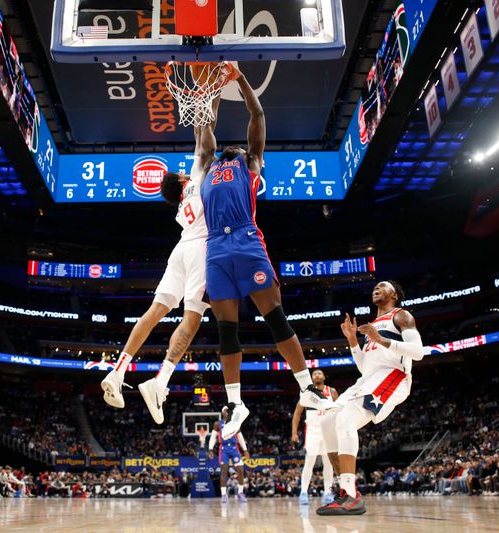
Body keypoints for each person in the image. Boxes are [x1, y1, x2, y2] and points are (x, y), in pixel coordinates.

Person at [197, 64, 335, 440]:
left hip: (245, 240)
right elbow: (204, 126)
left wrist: (238, 79)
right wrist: (206, 90)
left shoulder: (250, 161)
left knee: (274, 316)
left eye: (239, 144)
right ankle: (235, 403)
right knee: (226, 328)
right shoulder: (208, 165)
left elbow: (256, 114)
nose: (233, 145)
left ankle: (307, 385)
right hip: (215, 248)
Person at [101, 95, 222, 423]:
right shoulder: (196, 177)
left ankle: (118, 369)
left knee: (156, 310)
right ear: (183, 180)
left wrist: (204, 103)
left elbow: (202, 137)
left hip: (181, 248)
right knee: (194, 316)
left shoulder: (184, 197)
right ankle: (161, 379)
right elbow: (206, 141)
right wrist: (212, 96)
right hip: (200, 248)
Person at [317, 281, 424, 516]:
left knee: (345, 419)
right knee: (326, 421)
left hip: (393, 376)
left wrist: (382, 339)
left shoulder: (401, 316)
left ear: (394, 294)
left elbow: (418, 352)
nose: (376, 288)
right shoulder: (372, 326)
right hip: (370, 379)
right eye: (374, 286)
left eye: (382, 286)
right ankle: (348, 490)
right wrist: (353, 341)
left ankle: (350, 496)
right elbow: (365, 368)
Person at [291, 369, 339, 505]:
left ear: (324, 377)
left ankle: (328, 492)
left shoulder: (332, 392)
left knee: (328, 462)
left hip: (329, 430)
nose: (317, 375)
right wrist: (294, 433)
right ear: (311, 378)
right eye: (314, 374)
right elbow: (297, 414)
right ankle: (304, 492)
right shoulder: (307, 393)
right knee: (309, 461)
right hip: (313, 430)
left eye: (319, 373)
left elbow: (341, 409)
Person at [208, 407, 249, 503]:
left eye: (229, 411)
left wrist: (245, 450)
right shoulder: (218, 424)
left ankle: (240, 493)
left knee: (240, 470)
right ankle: (223, 495)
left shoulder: (235, 423)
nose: (228, 413)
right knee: (224, 471)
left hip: (235, 448)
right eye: (226, 411)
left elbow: (240, 437)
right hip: (224, 449)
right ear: (222, 412)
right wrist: (210, 449)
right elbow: (213, 437)